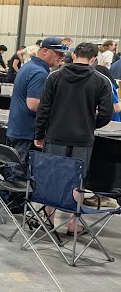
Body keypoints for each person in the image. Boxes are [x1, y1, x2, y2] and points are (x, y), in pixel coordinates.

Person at [35, 42, 114, 233]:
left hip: (55, 136)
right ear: (94, 58)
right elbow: (106, 113)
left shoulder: (54, 77)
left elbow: (43, 109)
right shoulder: (102, 81)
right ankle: (72, 223)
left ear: (73, 55)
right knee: (78, 181)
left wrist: (39, 134)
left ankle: (48, 219)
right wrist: (89, 125)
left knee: (51, 177)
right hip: (82, 140)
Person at [5, 37, 68, 174]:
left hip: (17, 128)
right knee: (19, 177)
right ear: (45, 51)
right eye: (58, 53)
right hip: (26, 131)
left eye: (63, 54)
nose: (61, 58)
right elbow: (33, 104)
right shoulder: (39, 72)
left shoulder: (28, 66)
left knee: (13, 172)